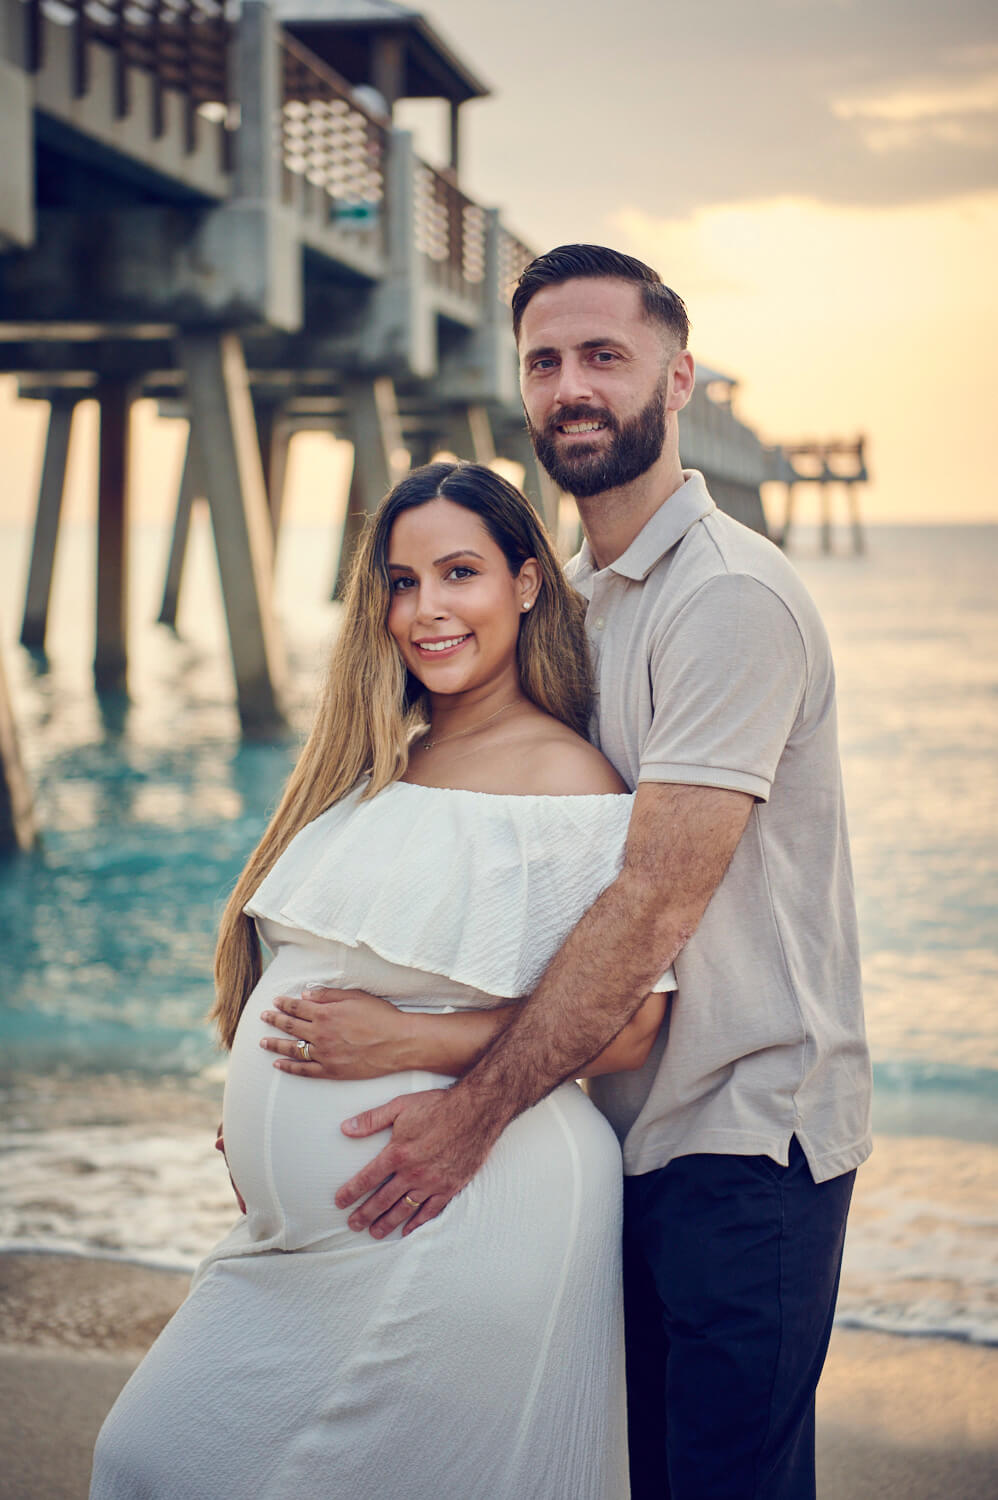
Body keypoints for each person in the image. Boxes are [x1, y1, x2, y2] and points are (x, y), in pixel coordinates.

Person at [289, 246, 872, 1500]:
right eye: (544, 361)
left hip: (738, 1140)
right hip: (613, 1139)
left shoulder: (723, 600)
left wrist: (463, 1110)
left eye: (604, 355)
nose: (572, 386)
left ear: (676, 377)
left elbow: (650, 901)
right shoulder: (582, 606)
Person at [90, 460, 678, 1500]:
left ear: (527, 583)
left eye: (460, 573)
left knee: (165, 1462)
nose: (426, 610)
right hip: (322, 1234)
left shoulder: (565, 780)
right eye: (402, 583)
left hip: (469, 1206)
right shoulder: (375, 766)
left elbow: (629, 1026)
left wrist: (403, 1044)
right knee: (150, 1461)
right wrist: (269, 1104)